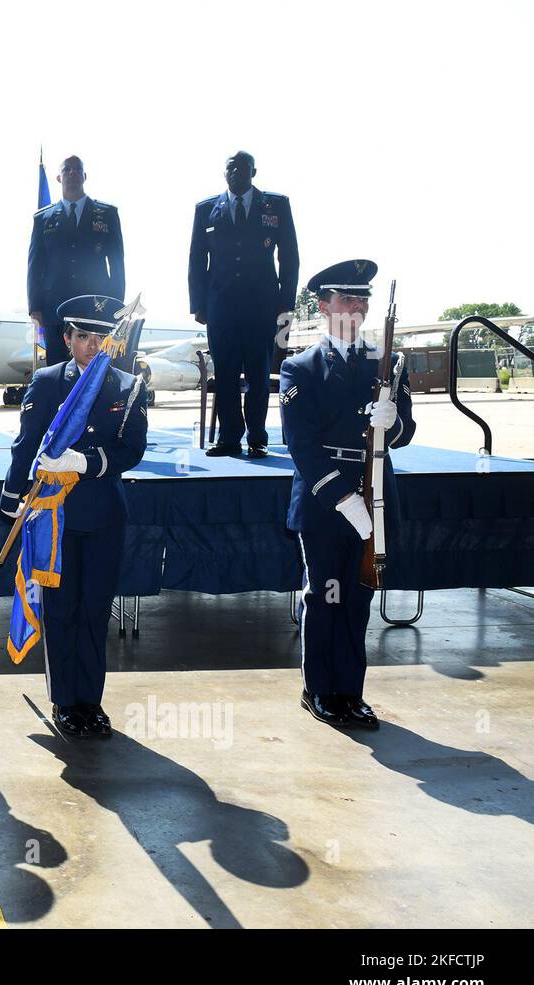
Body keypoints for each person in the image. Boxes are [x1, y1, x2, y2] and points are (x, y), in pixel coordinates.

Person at [0, 295, 148, 738]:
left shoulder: (128, 385)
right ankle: (65, 701)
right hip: (54, 516)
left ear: (113, 343)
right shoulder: (47, 382)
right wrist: (12, 497)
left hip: (103, 514)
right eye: (83, 336)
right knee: (62, 610)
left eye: (101, 336)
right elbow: (26, 444)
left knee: (95, 610)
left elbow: (132, 449)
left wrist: (86, 463)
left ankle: (91, 701)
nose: (91, 344)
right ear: (67, 339)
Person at [280, 259, 415, 730]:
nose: (356, 308)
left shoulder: (388, 362)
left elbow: (406, 430)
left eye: (362, 300)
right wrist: (342, 499)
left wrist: (390, 423)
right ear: (324, 305)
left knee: (357, 598)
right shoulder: (300, 366)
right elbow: (301, 444)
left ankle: (350, 692)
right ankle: (318, 688)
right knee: (325, 595)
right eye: (346, 299)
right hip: (325, 499)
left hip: (375, 490)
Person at [188, 150, 299, 458]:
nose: (236, 171)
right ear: (224, 174)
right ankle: (229, 437)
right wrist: (198, 303)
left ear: (254, 171)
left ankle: (258, 436)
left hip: (262, 306)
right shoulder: (207, 209)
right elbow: (197, 260)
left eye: (243, 166)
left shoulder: (275, 205)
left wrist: (286, 303)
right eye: (230, 168)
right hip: (220, 306)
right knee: (224, 375)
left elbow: (289, 257)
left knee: (258, 375)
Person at [28, 155, 126, 367]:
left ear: (84, 176)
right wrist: (35, 307)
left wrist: (116, 305)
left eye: (77, 169)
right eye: (67, 169)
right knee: (57, 368)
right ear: (58, 177)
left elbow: (117, 264)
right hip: (54, 309)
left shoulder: (107, 214)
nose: (72, 173)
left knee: (93, 369)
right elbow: (35, 266)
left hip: (94, 308)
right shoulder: (42, 219)